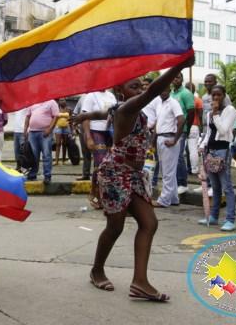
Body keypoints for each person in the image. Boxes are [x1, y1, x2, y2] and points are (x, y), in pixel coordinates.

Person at [74, 56, 193, 301]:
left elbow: (102, 111)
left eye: (140, 86)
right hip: (116, 173)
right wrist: (179, 66)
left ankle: (140, 282)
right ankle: (97, 270)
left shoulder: (123, 109)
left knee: (149, 223)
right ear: (120, 91)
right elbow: (152, 91)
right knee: (115, 226)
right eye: (133, 87)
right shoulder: (127, 109)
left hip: (135, 175)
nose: (139, 90)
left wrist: (83, 117)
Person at [198, 85, 236, 231]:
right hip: (211, 151)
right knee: (214, 186)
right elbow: (208, 133)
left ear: (224, 96)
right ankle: (213, 216)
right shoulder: (209, 114)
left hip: (223, 151)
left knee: (227, 186)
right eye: (213, 96)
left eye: (218, 95)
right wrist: (202, 145)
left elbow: (223, 130)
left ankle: (230, 219)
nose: (215, 98)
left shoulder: (230, 110)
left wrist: (215, 114)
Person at [82, 90, 117, 207]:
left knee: (109, 165)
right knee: (101, 164)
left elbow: (115, 116)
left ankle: (103, 195)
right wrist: (88, 137)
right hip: (95, 131)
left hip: (110, 132)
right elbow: (85, 117)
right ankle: (96, 194)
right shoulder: (90, 96)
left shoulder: (111, 96)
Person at [152, 89, 185, 208]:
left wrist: (175, 140)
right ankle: (174, 198)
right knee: (167, 170)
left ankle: (164, 200)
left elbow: (181, 120)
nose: (162, 92)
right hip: (161, 138)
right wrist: (153, 141)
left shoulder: (173, 103)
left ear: (169, 90)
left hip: (169, 138)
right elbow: (158, 123)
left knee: (167, 172)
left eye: (165, 89)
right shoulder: (159, 103)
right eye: (161, 89)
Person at [24, 99, 59, 184]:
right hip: (32, 132)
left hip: (45, 133)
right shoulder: (32, 102)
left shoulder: (51, 102)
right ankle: (32, 174)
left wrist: (50, 129)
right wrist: (25, 130)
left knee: (46, 155)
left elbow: (56, 116)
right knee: (33, 155)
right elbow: (28, 116)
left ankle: (47, 176)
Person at [170, 73, 194, 194]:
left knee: (179, 156)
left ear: (182, 79)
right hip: (171, 130)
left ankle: (183, 183)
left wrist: (187, 128)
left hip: (182, 130)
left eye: (178, 77)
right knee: (173, 157)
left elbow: (191, 112)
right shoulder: (171, 93)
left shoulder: (186, 93)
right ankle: (175, 183)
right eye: (174, 77)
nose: (175, 79)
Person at [73, 95, 92, 181]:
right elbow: (76, 113)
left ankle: (98, 175)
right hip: (83, 129)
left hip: (98, 128)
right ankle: (86, 174)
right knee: (86, 153)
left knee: (99, 154)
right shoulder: (83, 97)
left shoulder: (100, 96)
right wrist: (75, 125)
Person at [185, 82, 202, 174]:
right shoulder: (197, 100)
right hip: (194, 126)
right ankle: (194, 169)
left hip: (184, 126)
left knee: (188, 150)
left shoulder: (182, 99)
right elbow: (200, 115)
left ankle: (191, 168)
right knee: (193, 149)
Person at [54, 98, 73, 165]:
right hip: (58, 127)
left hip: (66, 128)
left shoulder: (69, 109)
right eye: (60, 100)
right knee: (58, 143)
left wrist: (72, 131)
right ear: (58, 102)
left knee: (65, 144)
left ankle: (64, 160)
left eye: (63, 100)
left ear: (66, 101)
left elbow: (71, 120)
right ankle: (56, 161)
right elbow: (53, 119)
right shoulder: (56, 109)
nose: (62, 101)